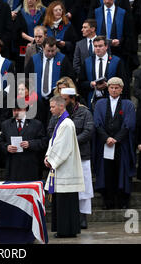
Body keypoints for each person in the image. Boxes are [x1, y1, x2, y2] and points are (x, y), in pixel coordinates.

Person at [48, 88, 94, 229]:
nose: (63, 101)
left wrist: (72, 141)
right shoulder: (57, 116)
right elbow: (51, 132)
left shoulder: (84, 112)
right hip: (62, 157)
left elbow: (88, 131)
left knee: (83, 188)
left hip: (81, 154)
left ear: (73, 99)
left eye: (65, 99)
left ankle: (82, 216)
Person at [44, 95, 84, 238]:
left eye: (53, 106)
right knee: (61, 200)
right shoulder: (60, 122)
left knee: (66, 201)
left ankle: (67, 230)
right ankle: (62, 229)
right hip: (60, 168)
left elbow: (63, 146)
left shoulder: (67, 124)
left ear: (62, 106)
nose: (50, 109)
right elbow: (53, 142)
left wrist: (52, 160)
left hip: (65, 169)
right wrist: (48, 156)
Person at [93, 77, 136, 209]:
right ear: (108, 88)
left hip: (121, 144)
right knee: (107, 171)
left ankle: (122, 201)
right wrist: (106, 138)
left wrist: (116, 139)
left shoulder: (127, 104)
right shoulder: (100, 103)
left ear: (121, 89)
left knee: (121, 171)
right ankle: (108, 201)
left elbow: (128, 124)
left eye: (117, 87)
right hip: (105, 144)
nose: (114, 90)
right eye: (111, 87)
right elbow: (97, 123)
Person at [89, 0, 134, 76]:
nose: (107, 1)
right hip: (100, 50)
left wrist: (120, 41)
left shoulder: (122, 13)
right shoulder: (96, 12)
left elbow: (128, 33)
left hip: (119, 51)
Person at [0, 103, 47, 181]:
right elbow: (0, 142)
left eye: (19, 110)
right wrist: (7, 147)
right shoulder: (5, 125)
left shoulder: (36, 124)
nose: (16, 112)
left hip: (30, 166)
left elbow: (43, 142)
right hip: (12, 167)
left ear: (25, 110)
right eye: (14, 110)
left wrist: (30, 144)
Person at [78, 36, 127, 109]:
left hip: (111, 99)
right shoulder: (87, 62)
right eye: (95, 46)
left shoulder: (116, 61)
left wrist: (108, 85)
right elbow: (81, 82)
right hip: (92, 99)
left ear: (106, 46)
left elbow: (123, 81)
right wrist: (91, 84)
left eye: (100, 46)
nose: (97, 48)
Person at [25, 36, 75, 108]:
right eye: (48, 51)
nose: (51, 53)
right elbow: (26, 78)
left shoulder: (63, 59)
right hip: (36, 101)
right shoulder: (34, 59)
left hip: (57, 101)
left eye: (53, 51)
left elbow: (70, 78)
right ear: (43, 48)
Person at [16, 0, 46, 72]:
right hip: (25, 44)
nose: (29, 0)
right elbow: (19, 31)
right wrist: (32, 40)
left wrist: (37, 40)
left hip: (41, 44)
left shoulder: (43, 12)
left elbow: (46, 27)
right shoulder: (21, 12)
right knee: (24, 69)